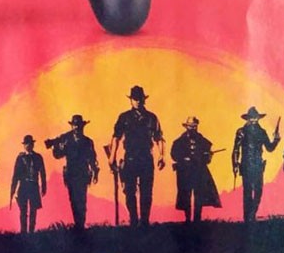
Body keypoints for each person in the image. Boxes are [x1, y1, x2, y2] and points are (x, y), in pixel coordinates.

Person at [108, 85, 165, 227]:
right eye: (135, 99)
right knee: (129, 191)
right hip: (130, 159)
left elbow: (159, 138)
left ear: (144, 100)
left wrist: (162, 155)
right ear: (131, 100)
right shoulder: (124, 117)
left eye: (140, 99)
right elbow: (116, 137)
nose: (137, 101)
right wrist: (112, 157)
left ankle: (144, 221)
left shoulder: (151, 118)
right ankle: (133, 220)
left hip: (146, 159)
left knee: (146, 192)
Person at [45, 115, 99, 230]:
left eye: (78, 125)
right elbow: (58, 155)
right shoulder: (67, 139)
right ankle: (78, 224)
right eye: (75, 125)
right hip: (71, 174)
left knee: (82, 200)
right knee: (73, 200)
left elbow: (92, 158)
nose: (77, 128)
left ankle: (81, 224)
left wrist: (95, 172)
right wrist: (55, 146)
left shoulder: (87, 142)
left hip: (82, 173)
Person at [232, 106, 280, 222]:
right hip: (246, 165)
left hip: (258, 165)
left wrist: (276, 140)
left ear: (258, 119)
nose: (253, 120)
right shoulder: (241, 132)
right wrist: (235, 164)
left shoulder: (262, 132)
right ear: (248, 119)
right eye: (251, 118)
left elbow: (269, 148)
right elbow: (236, 149)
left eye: (255, 118)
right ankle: (247, 219)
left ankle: (252, 215)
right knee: (247, 193)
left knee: (258, 192)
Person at [170, 116, 222, 223]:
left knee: (199, 195)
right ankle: (187, 219)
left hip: (199, 171)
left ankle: (197, 219)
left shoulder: (203, 141)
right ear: (186, 127)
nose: (192, 128)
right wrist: (183, 158)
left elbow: (207, 159)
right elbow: (174, 154)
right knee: (185, 195)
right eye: (190, 126)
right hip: (185, 172)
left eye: (194, 126)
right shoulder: (179, 142)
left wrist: (207, 156)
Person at [9, 134, 47, 233]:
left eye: (30, 143)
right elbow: (15, 174)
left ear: (33, 145)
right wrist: (13, 189)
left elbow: (43, 173)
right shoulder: (20, 158)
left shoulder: (38, 157)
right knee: (23, 210)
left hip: (34, 186)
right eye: (26, 144)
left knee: (33, 210)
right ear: (24, 145)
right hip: (23, 186)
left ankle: (31, 231)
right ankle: (23, 232)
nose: (28, 145)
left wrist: (44, 187)